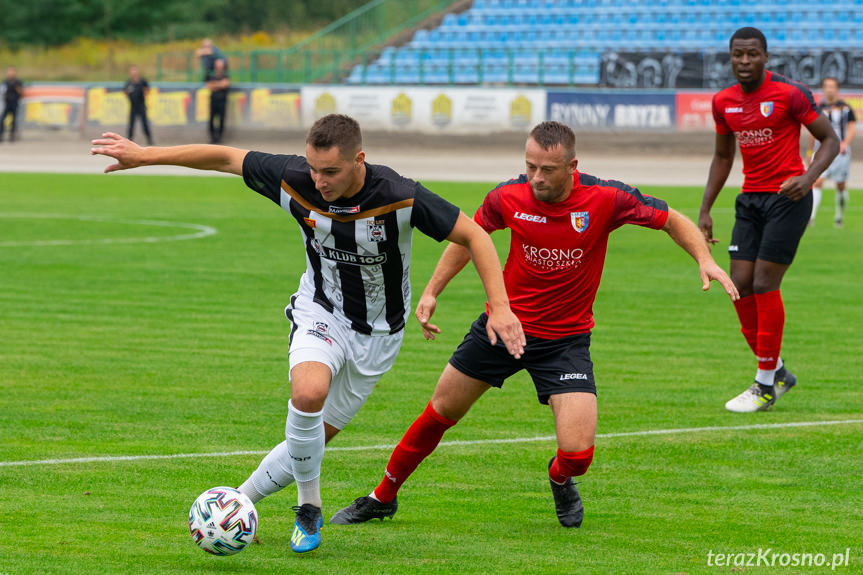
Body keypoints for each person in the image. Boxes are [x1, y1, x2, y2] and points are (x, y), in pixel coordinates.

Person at [89, 114, 524, 553]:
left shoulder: (399, 196)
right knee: (309, 394)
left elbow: (475, 235)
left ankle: (239, 503)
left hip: (378, 337)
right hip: (321, 311)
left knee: (313, 439)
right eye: (314, 169)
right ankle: (308, 508)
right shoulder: (295, 179)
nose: (319, 181)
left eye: (331, 171)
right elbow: (223, 156)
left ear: (359, 160)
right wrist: (146, 155)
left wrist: (501, 309)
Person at [329, 121, 739, 529]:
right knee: (441, 411)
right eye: (530, 167)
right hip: (501, 328)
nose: (536, 178)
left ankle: (559, 477)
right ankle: (382, 496)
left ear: (572, 166)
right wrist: (433, 290)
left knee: (579, 454)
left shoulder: (606, 198)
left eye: (547, 170)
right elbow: (469, 237)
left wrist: (704, 259)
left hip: (565, 340)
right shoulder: (508, 196)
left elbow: (672, 219)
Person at [698, 27, 839, 413]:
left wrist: (808, 178)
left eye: (752, 54)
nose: (745, 61)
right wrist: (706, 208)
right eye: (738, 55)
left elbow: (830, 139)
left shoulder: (789, 94)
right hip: (749, 200)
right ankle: (777, 372)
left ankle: (763, 385)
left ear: (766, 56)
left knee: (763, 282)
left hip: (788, 199)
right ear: (730, 58)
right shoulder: (723, 101)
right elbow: (724, 157)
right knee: (738, 286)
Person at [806, 77, 856, 228]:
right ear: (823, 88)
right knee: (817, 182)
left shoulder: (846, 108)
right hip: (821, 150)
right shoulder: (817, 109)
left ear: (837, 89)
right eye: (826, 86)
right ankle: (811, 218)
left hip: (841, 153)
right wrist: (809, 152)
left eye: (832, 86)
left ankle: (839, 217)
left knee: (840, 185)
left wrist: (845, 143)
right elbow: (812, 133)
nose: (829, 89)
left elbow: (851, 128)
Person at [124, 66, 153, 146]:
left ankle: (149, 140)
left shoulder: (142, 81)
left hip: (141, 106)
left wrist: (144, 94)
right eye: (132, 72)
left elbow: (147, 89)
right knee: (131, 125)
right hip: (133, 107)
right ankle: (129, 141)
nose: (133, 73)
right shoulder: (129, 83)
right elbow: (125, 92)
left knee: (145, 124)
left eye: (135, 71)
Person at [206, 59, 230, 144]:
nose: (219, 67)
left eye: (221, 65)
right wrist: (220, 84)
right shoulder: (210, 75)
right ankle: (212, 138)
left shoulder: (225, 76)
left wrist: (215, 84)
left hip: (222, 101)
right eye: (218, 65)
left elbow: (225, 84)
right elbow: (209, 86)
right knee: (211, 119)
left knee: (221, 120)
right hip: (213, 101)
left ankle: (219, 138)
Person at [0, 66, 24, 143]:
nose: (10, 73)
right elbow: (2, 91)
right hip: (7, 103)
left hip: (15, 103)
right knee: (2, 120)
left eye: (11, 72)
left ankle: (12, 136)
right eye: (9, 72)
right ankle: (1, 135)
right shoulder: (5, 82)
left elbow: (22, 93)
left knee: (14, 120)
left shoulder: (18, 82)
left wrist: (18, 89)